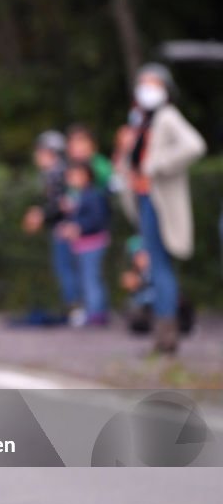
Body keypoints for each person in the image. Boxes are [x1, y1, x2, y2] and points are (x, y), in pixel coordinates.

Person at [117, 63, 206, 354]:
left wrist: (156, 166)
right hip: (145, 199)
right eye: (143, 83)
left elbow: (194, 145)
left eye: (153, 83)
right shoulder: (141, 121)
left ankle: (166, 334)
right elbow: (129, 163)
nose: (147, 88)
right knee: (154, 266)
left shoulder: (166, 117)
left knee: (160, 266)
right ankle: (162, 333)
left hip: (160, 202)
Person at [23, 129, 82, 324]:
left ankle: (77, 310)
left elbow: (63, 204)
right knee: (67, 270)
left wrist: (41, 215)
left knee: (67, 270)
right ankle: (74, 308)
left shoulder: (58, 173)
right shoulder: (55, 173)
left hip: (66, 230)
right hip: (63, 229)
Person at [60, 161, 111, 325]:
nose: (71, 179)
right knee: (85, 278)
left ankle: (97, 313)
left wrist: (78, 227)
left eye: (75, 175)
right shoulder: (78, 196)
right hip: (82, 245)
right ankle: (92, 310)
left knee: (91, 279)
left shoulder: (92, 195)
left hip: (92, 244)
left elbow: (97, 220)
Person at [66, 123, 113, 190]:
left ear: (91, 144)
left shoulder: (100, 166)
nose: (74, 145)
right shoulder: (68, 166)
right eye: (71, 141)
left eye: (80, 140)